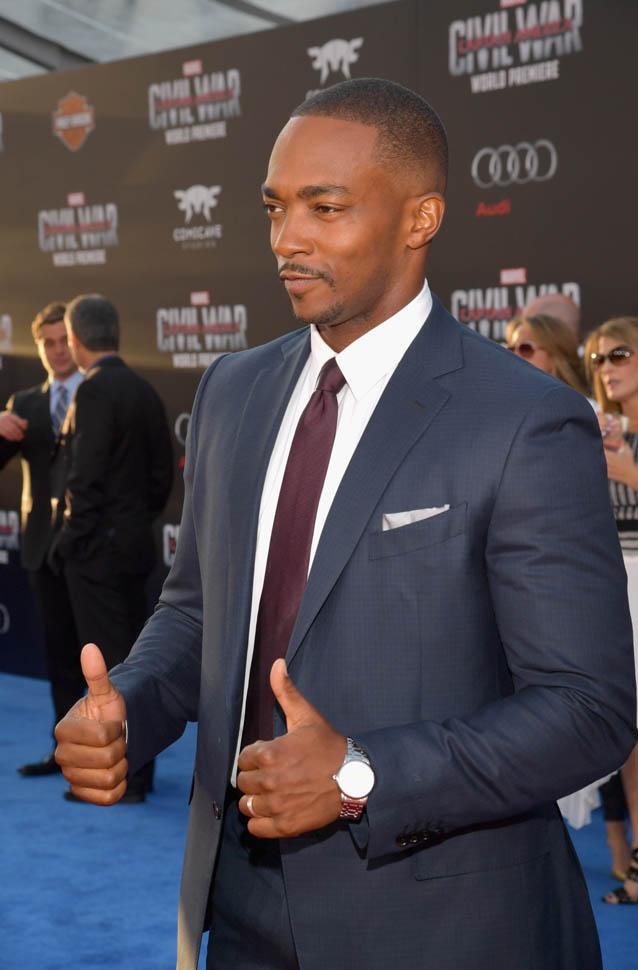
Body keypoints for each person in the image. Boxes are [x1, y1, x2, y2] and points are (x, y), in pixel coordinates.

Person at [55, 79, 636, 970]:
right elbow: (199, 613)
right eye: (275, 208)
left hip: (443, 927)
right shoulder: (233, 391)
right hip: (238, 904)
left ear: (420, 218)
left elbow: (588, 709)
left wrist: (359, 775)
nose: (288, 238)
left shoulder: (522, 419)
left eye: (325, 208)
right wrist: (131, 708)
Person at [50, 294, 173, 802]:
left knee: (109, 667)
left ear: (76, 339)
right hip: (137, 546)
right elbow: (163, 477)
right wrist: (135, 521)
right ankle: (137, 772)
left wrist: (71, 540)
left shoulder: (95, 389)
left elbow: (86, 476)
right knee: (133, 659)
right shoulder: (144, 388)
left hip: (97, 553)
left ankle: (125, 775)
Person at [0, 300, 83, 775]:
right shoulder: (26, 403)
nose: (56, 350)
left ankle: (120, 753)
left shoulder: (100, 392)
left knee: (108, 657)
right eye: (47, 343)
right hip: (40, 549)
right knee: (59, 656)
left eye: (63, 340)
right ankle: (65, 750)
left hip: (92, 550)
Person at [585, 316, 638, 904]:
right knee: (623, 734)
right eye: (597, 358)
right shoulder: (594, 430)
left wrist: (630, 474)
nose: (606, 368)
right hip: (611, 590)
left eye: (619, 354)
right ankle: (629, 863)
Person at [506, 313, 587, 393]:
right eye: (511, 349)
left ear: (554, 355)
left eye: (525, 348)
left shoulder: (579, 401)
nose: (515, 355)